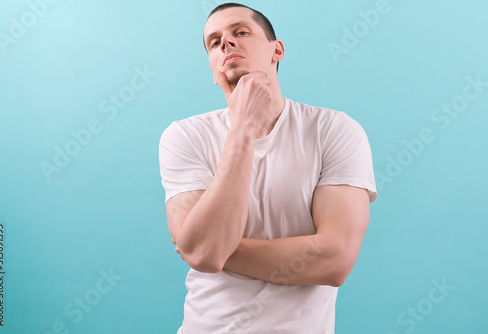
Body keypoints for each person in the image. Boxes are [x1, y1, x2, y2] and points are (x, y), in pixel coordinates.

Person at [159, 3, 378, 333]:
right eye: (214, 41)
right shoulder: (184, 136)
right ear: (212, 68)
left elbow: (334, 260)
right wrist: (243, 128)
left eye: (241, 32)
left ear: (277, 50)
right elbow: (204, 251)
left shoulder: (335, 130)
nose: (225, 43)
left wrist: (215, 249)